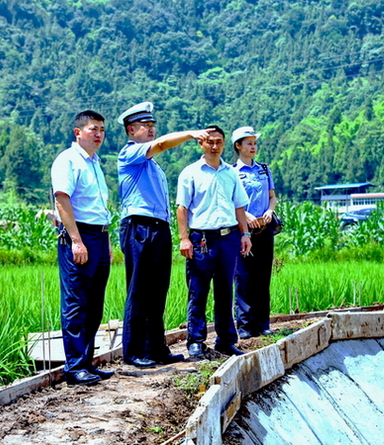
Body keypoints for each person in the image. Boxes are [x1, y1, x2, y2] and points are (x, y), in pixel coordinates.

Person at [117, 102, 213, 368]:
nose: (151, 130)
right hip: (139, 226)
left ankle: (156, 347)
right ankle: (134, 352)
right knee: (139, 290)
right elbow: (159, 145)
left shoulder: (152, 165)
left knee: (157, 290)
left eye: (152, 125)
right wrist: (190, 134)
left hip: (158, 227)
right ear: (131, 130)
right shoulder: (130, 154)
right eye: (145, 126)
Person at [176, 125, 252, 358]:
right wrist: (184, 238)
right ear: (201, 143)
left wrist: (245, 234)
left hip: (229, 238)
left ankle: (226, 340)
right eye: (210, 141)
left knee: (224, 291)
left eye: (219, 141)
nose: (214, 145)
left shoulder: (230, 172)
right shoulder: (190, 172)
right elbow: (182, 208)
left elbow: (238, 206)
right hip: (202, 239)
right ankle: (196, 341)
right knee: (198, 291)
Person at [51, 110, 115, 386]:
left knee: (94, 303)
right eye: (93, 129)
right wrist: (77, 240)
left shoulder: (95, 163)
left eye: (101, 129)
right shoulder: (68, 161)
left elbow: (100, 208)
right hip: (79, 235)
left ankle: (87, 361)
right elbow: (62, 201)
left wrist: (107, 242)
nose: (98, 134)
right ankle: (74, 366)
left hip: (99, 236)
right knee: (76, 302)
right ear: (78, 132)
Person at [231, 126, 278, 339]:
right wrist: (246, 216)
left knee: (262, 276)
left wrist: (269, 211)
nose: (253, 147)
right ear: (238, 146)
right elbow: (231, 200)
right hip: (243, 229)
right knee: (243, 276)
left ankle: (263, 322)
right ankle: (245, 325)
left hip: (264, 228)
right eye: (248, 143)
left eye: (254, 143)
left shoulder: (264, 170)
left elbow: (272, 196)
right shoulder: (232, 172)